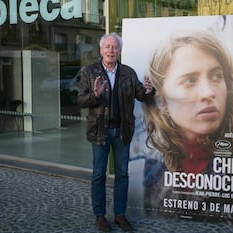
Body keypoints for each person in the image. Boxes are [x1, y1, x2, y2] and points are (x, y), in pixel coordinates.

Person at [141, 30, 233, 217]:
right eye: (189, 80)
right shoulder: (154, 168)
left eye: (216, 76)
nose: (208, 92)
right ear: (162, 99)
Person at [76, 32, 155, 232]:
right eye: (108, 47)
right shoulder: (90, 72)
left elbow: (141, 95)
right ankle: (100, 215)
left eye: (115, 47)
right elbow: (80, 100)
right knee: (98, 174)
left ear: (120, 51)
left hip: (122, 131)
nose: (111, 50)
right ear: (101, 50)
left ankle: (120, 214)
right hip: (100, 130)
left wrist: (148, 91)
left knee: (122, 174)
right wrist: (95, 95)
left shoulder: (128, 72)